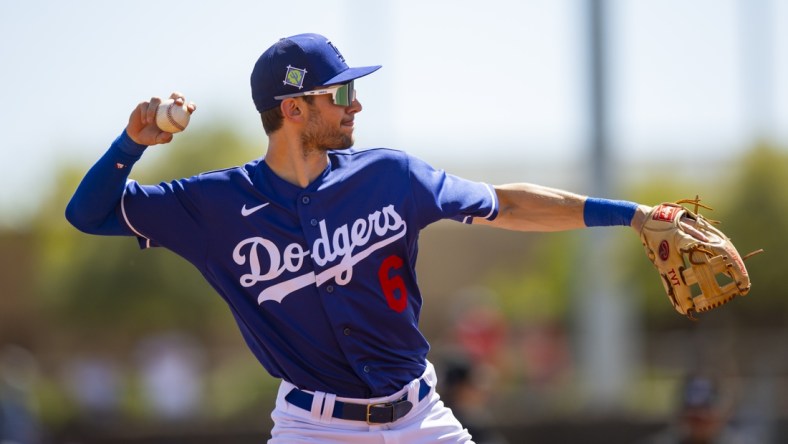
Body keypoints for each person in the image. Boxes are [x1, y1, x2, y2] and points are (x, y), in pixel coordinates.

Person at [66, 33, 652, 443]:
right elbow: (87, 214)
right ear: (294, 108)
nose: (356, 104)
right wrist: (131, 143)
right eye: (340, 94)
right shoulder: (213, 205)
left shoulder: (391, 175)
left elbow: (506, 203)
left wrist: (632, 215)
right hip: (313, 427)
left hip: (421, 416)